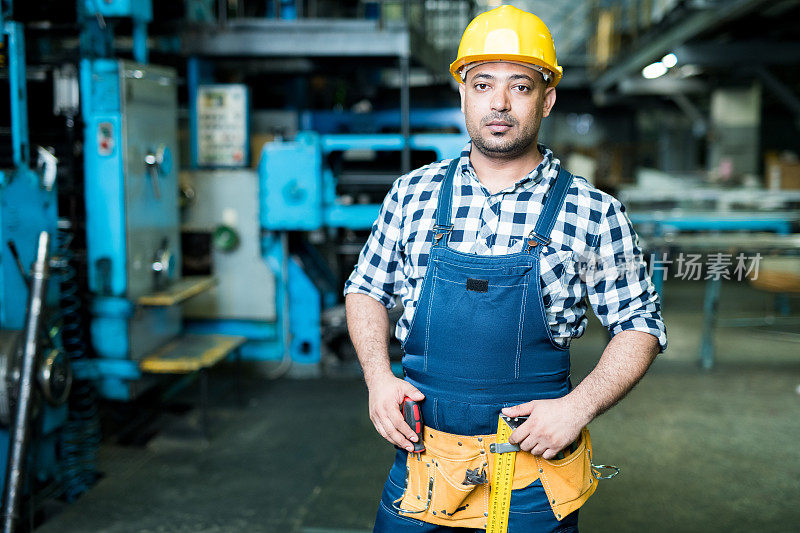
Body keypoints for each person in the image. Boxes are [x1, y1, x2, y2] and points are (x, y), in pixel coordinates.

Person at [344, 5, 666, 532]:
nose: (498, 102)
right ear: (463, 93)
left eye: (520, 86)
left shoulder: (594, 211)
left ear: (548, 98)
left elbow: (640, 325)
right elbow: (366, 289)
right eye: (482, 83)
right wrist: (379, 378)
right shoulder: (412, 194)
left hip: (531, 482)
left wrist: (575, 409)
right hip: (423, 470)